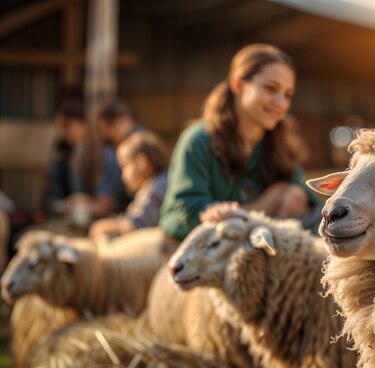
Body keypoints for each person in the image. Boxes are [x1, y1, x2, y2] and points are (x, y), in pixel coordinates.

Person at [159, 43, 320, 241]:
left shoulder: (280, 143)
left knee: (292, 195)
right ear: (238, 85)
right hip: (193, 241)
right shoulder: (198, 139)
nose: (280, 103)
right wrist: (221, 213)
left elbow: (309, 204)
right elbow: (189, 209)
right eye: (271, 89)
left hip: (249, 239)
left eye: (287, 95)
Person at [45, 99, 128, 224]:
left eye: (67, 125)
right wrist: (63, 206)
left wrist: (79, 208)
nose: (63, 132)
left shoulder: (106, 156)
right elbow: (51, 199)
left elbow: (106, 204)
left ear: (83, 124)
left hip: (104, 222)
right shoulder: (65, 157)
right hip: (74, 219)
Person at [89, 131, 169, 240]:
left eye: (125, 166)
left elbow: (138, 224)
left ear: (142, 163)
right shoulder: (153, 185)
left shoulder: (157, 185)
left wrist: (106, 226)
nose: (123, 176)